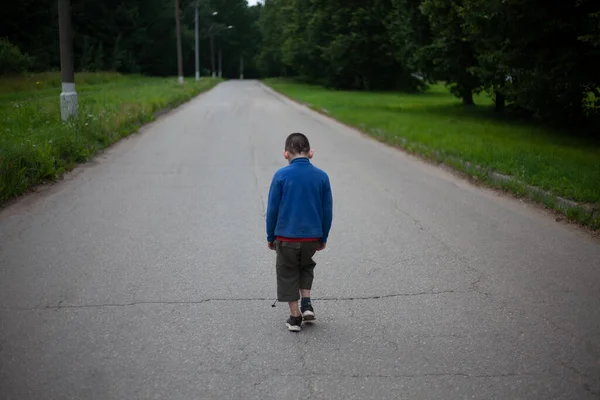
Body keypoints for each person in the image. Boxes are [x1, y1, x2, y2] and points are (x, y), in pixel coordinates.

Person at [266, 132, 333, 332]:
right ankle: (307, 303)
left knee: (287, 273)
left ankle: (295, 317)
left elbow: (272, 210)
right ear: (310, 153)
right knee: (305, 267)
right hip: (312, 237)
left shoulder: (281, 176)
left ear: (285, 154)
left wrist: (271, 236)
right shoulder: (322, 176)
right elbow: (327, 211)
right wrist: (323, 237)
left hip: (286, 237)